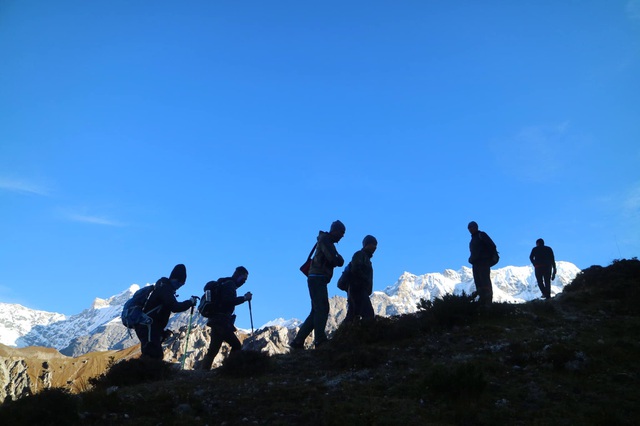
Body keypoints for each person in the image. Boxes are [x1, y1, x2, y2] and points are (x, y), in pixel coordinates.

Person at [291, 220, 345, 349]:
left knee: (316, 311)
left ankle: (298, 341)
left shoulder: (325, 240)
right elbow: (332, 259)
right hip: (318, 277)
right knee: (322, 308)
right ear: (335, 231)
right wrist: (339, 260)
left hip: (316, 278)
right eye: (341, 233)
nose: (342, 236)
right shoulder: (326, 240)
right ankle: (319, 340)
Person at [134, 264, 198, 360]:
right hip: (149, 326)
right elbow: (175, 307)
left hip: (147, 326)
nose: (180, 285)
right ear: (173, 278)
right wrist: (190, 302)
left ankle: (136, 373)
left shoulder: (162, 287)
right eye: (179, 282)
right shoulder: (165, 289)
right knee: (154, 355)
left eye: (182, 284)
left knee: (150, 354)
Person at [200, 266, 252, 370]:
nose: (243, 282)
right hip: (221, 321)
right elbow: (228, 301)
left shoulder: (224, 283)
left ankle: (203, 372)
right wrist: (244, 298)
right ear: (237, 275)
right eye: (243, 279)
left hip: (215, 320)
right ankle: (229, 368)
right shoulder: (230, 285)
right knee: (236, 345)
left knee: (213, 349)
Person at [344, 235, 377, 323]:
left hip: (359, 289)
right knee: (368, 314)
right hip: (357, 289)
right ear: (366, 244)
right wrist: (365, 279)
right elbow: (355, 269)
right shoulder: (359, 255)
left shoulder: (366, 258)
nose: (375, 247)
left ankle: (343, 334)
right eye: (372, 244)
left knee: (352, 315)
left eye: (375, 245)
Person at [467, 221, 497, 306]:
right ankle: (482, 301)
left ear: (476, 227)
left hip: (483, 262)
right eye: (469, 228)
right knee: (478, 283)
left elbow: (492, 245)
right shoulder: (472, 240)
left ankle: (488, 303)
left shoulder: (482, 235)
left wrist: (487, 257)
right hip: (475, 264)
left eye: (471, 227)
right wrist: (471, 258)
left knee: (485, 281)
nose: (470, 229)